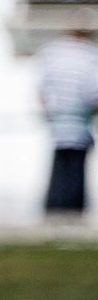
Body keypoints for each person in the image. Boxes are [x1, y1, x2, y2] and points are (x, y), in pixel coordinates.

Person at [35, 25, 98, 216]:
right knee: (75, 171)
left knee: (59, 168)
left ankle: (54, 208)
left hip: (58, 122)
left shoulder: (51, 52)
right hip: (79, 122)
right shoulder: (90, 55)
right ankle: (72, 210)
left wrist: (48, 112)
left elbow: (41, 89)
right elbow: (93, 92)